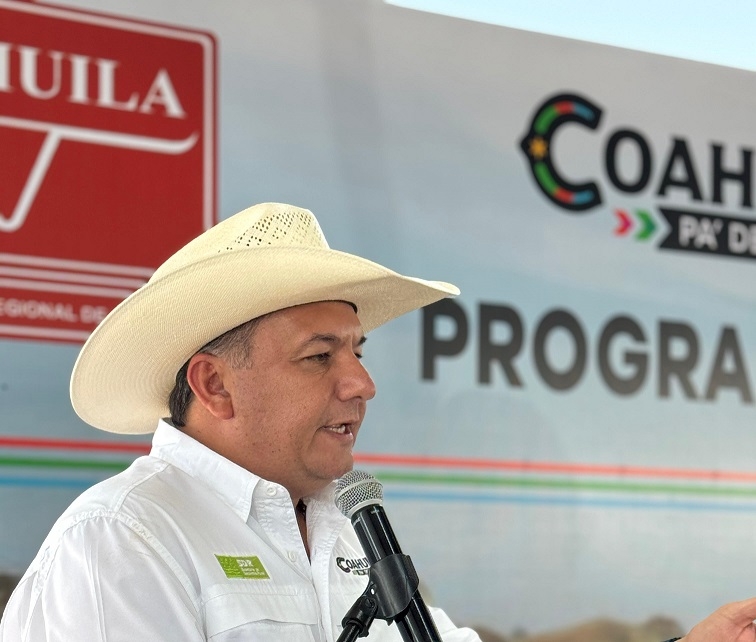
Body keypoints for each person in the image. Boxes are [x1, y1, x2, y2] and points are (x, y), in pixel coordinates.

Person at [0, 202, 754, 641]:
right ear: (215, 385)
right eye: (318, 356)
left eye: (357, 352)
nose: (361, 383)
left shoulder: (344, 528)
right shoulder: (123, 540)